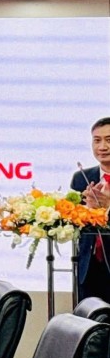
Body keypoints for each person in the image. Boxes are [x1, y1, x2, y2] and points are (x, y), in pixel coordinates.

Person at [73, 117, 110, 303]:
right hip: (89, 267)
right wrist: (87, 211)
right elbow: (73, 220)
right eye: (97, 140)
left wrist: (108, 208)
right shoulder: (81, 178)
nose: (102, 147)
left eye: (109, 140)